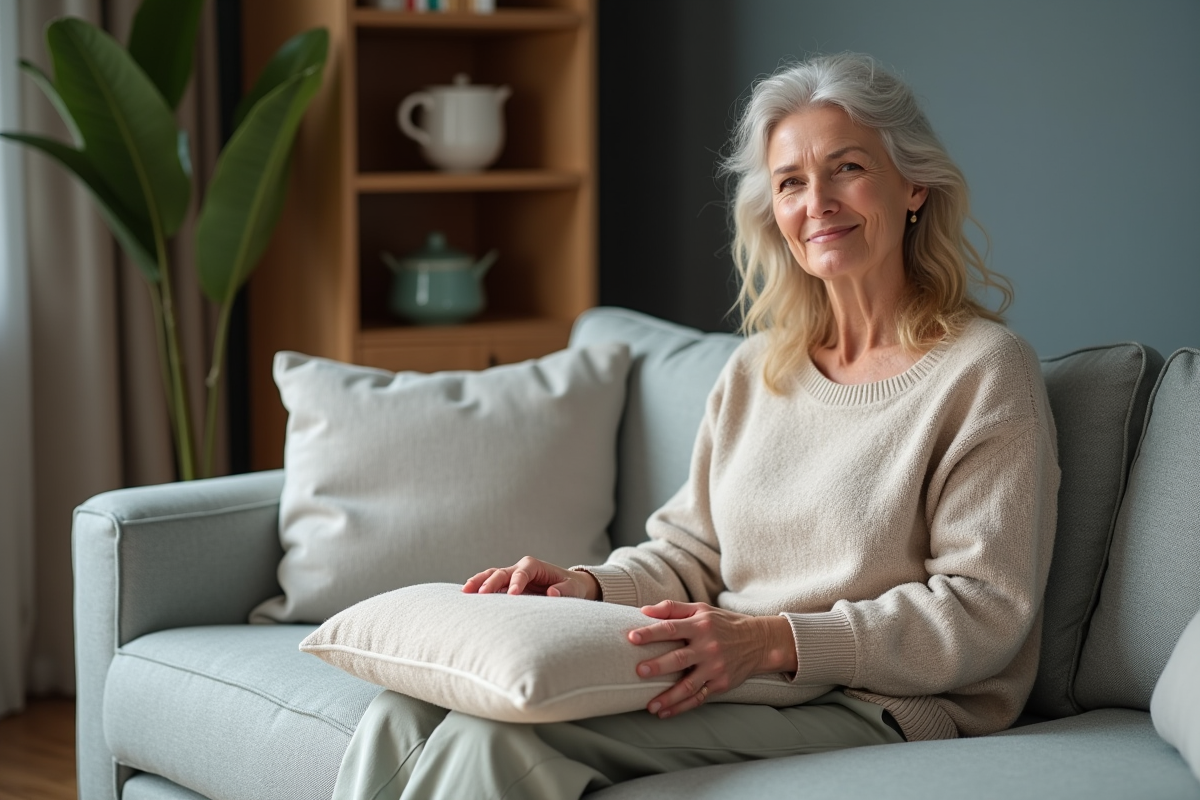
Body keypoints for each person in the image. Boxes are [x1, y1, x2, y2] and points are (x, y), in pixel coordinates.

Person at [334, 52, 1060, 800]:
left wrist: (774, 641)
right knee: (405, 711)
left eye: (847, 168)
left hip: (875, 703)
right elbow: (689, 557)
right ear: (773, 213)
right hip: (732, 668)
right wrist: (583, 588)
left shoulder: (983, 371)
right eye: (791, 182)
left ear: (913, 185)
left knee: (496, 745)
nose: (818, 202)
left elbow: (982, 613)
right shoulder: (758, 371)